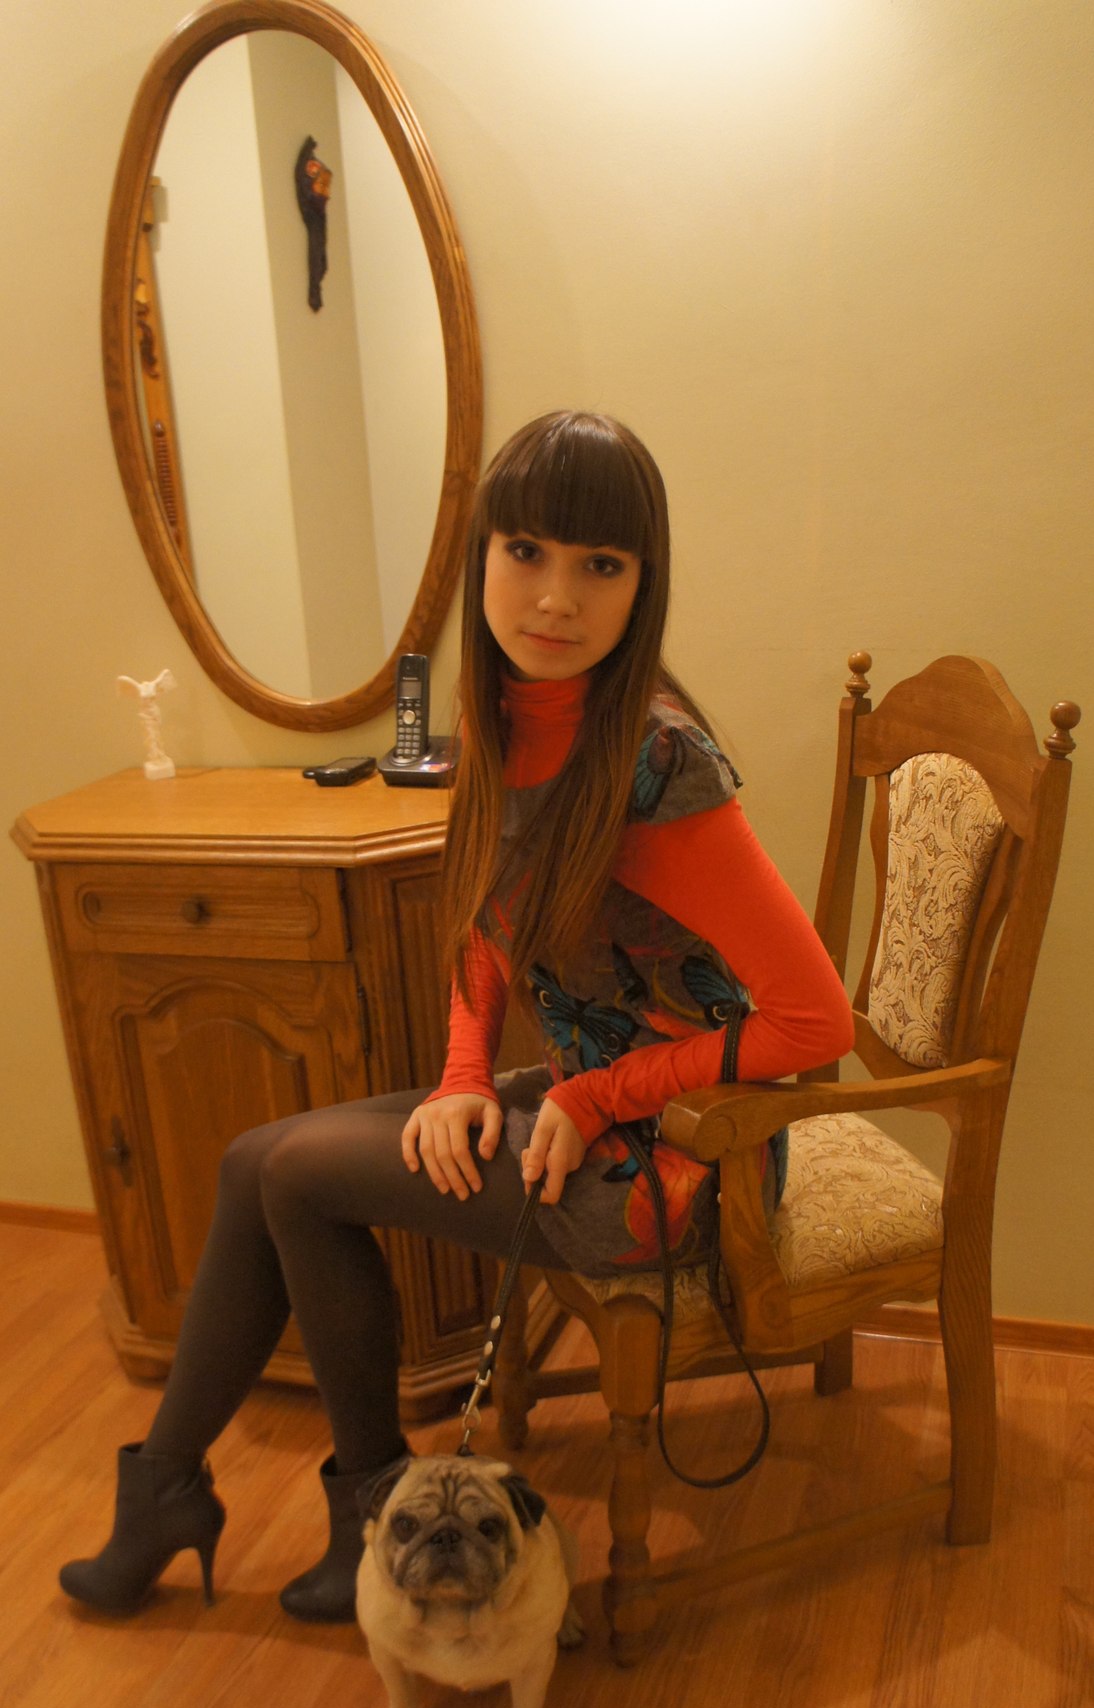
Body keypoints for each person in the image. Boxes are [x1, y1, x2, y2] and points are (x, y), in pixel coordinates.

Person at [60, 410, 853, 1622]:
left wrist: (594, 1093)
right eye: (525, 551)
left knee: (293, 1178)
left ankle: (326, 1511)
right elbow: (488, 920)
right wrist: (464, 1074)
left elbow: (814, 1021)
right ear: (479, 554)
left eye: (599, 564)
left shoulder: (656, 765)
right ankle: (176, 1491)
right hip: (581, 1107)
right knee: (254, 1162)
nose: (554, 596)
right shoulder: (499, 713)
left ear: (641, 585)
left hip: (687, 1151)